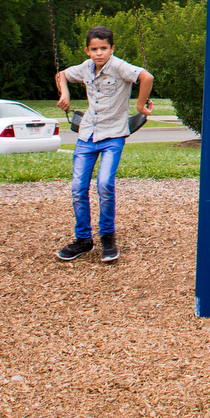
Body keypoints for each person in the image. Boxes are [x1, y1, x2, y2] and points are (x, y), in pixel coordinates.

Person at [53, 25, 153, 263]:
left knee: (105, 184)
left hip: (113, 135)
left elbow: (146, 77)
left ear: (111, 49)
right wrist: (64, 93)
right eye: (94, 49)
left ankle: (107, 237)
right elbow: (62, 75)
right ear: (87, 50)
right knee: (78, 188)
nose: (99, 53)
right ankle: (83, 240)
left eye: (104, 49)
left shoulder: (119, 67)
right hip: (87, 135)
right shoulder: (86, 68)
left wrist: (140, 107)